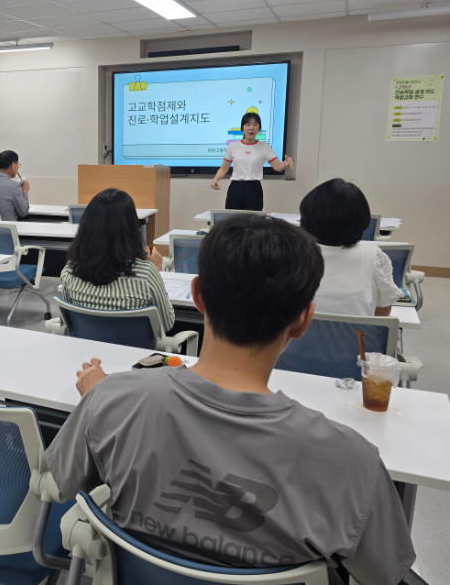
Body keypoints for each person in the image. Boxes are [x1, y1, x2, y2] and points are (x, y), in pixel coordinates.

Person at [46, 215, 415, 585]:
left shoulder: (109, 401)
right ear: (304, 320)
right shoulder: (353, 463)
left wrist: (101, 400)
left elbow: (58, 483)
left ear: (198, 296)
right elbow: (383, 574)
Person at [60, 188, 173, 331]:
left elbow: (69, 323)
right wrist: (156, 270)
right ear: (131, 227)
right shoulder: (146, 274)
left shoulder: (70, 270)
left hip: (88, 352)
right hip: (136, 353)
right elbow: (167, 324)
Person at [301, 178, 401, 317]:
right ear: (362, 221)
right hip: (358, 338)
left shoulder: (291, 254)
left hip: (299, 338)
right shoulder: (373, 255)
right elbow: (382, 315)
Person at [210, 112, 294, 211]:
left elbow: (278, 166)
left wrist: (288, 161)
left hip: (254, 189)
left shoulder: (264, 147)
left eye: (255, 124)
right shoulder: (233, 146)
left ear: (259, 128)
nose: (251, 128)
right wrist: (216, 179)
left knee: (253, 221)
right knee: (232, 220)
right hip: (235, 187)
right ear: (242, 128)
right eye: (248, 124)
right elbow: (224, 168)